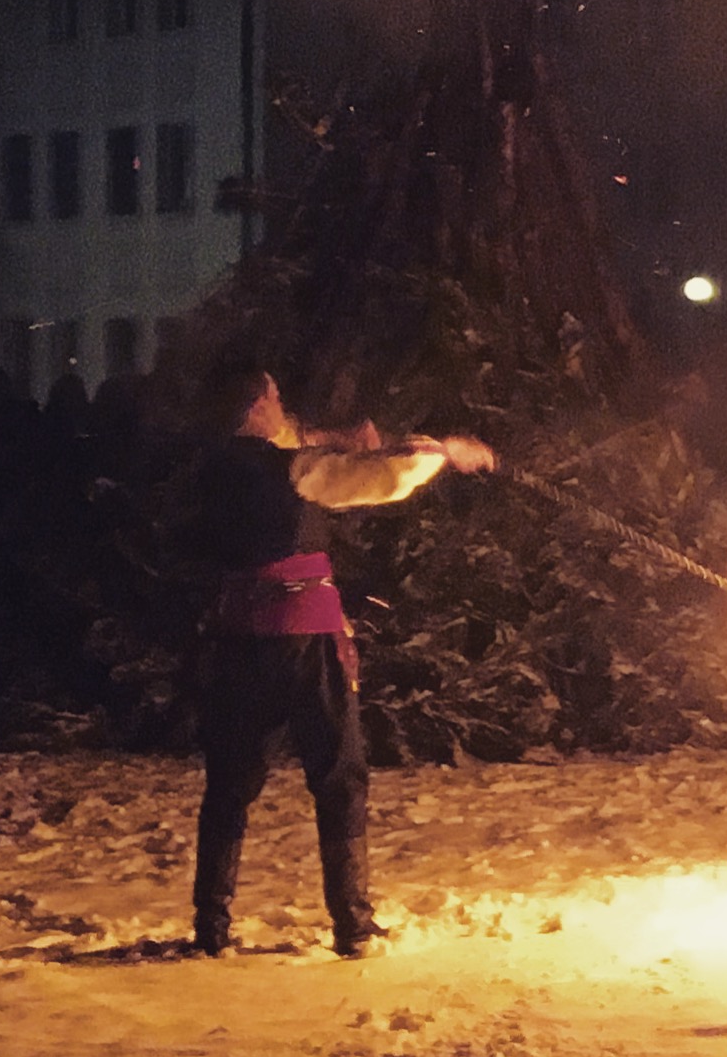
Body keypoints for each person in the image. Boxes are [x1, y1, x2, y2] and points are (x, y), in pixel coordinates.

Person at [188, 366, 496, 956]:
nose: (285, 407)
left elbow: (301, 442)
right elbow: (374, 479)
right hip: (303, 641)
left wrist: (342, 436)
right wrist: (443, 453)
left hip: (237, 643)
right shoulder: (292, 472)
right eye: (276, 397)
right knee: (339, 778)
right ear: (257, 408)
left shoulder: (215, 466)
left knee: (229, 783)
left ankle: (211, 927)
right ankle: (353, 925)